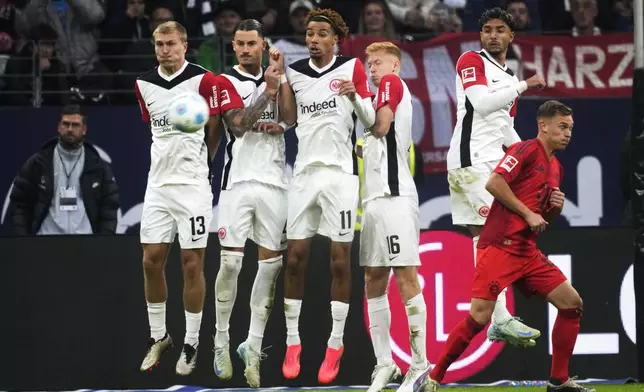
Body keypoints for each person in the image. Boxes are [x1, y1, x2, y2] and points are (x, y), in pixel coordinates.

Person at [134, 21, 279, 376]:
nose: (164, 50)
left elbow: (217, 129)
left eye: (170, 43)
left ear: (184, 45)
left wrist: (202, 166)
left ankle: (192, 342)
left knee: (192, 265)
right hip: (157, 186)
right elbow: (154, 129)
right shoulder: (143, 84)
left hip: (194, 186)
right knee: (151, 261)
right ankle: (159, 336)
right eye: (158, 45)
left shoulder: (206, 81)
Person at [424, 101, 595, 392]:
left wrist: (554, 209)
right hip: (500, 247)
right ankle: (432, 379)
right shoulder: (525, 150)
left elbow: (541, 218)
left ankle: (559, 381)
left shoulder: (556, 168)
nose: (568, 133)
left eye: (570, 128)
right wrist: (528, 213)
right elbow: (494, 183)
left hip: (526, 251)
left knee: (572, 304)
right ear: (543, 125)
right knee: (478, 318)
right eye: (562, 127)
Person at [272, 8, 375, 384]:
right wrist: (279, 87)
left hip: (341, 177)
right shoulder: (295, 72)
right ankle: (293, 342)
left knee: (339, 260)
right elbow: (290, 119)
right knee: (295, 258)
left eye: (321, 34)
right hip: (303, 176)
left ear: (335, 39)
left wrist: (355, 97)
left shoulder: (353, 69)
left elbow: (369, 119)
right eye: (309, 33)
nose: (313, 39)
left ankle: (335, 344)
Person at [445, 7, 546, 348]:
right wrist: (523, 85)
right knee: (492, 236)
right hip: (470, 160)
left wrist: (533, 160)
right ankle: (498, 318)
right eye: (487, 29)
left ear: (511, 36)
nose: (493, 35)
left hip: (488, 162)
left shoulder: (504, 72)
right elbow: (481, 104)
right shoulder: (471, 60)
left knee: (488, 239)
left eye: (500, 30)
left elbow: (504, 127)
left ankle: (496, 318)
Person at [211, 19, 293, 388]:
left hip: (275, 182)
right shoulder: (224, 82)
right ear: (233, 47)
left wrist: (282, 77)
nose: (245, 49)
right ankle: (221, 339)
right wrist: (268, 89)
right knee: (230, 262)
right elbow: (240, 124)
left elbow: (290, 119)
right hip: (238, 182)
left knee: (271, 268)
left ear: (264, 44)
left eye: (251, 43)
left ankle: (253, 346)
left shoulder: (276, 75)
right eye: (239, 44)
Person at [359, 41, 429, 392]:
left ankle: (420, 366)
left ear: (395, 65)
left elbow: (381, 127)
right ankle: (385, 363)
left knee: (405, 277)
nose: (372, 69)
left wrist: (354, 99)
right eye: (369, 64)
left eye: (378, 63)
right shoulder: (376, 98)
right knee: (373, 279)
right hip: (372, 201)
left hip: (395, 197)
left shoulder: (392, 85)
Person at [10, 104, 119, 236]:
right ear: (59, 127)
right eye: (66, 124)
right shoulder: (38, 163)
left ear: (84, 129)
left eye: (75, 125)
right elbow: (19, 202)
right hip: (45, 240)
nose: (70, 129)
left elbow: (109, 206)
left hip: (85, 242)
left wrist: (104, 240)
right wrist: (22, 239)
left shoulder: (97, 166)